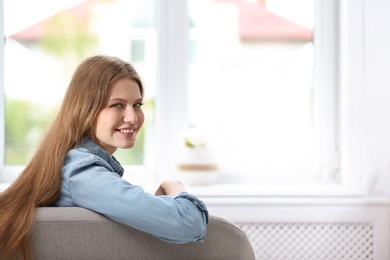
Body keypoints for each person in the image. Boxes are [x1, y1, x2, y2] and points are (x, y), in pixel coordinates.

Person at [0, 55, 209, 259]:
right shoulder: (83, 174)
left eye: (137, 105)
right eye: (117, 105)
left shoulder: (75, 166)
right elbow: (187, 223)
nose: (132, 117)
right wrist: (175, 187)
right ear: (86, 110)